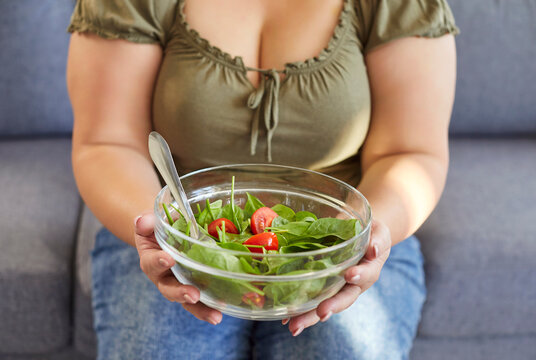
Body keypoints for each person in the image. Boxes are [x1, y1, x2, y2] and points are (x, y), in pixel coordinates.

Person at [67, 0, 458, 359]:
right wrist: (164, 234)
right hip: (174, 236)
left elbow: (410, 152)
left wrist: (355, 241)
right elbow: (107, 141)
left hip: (345, 238)